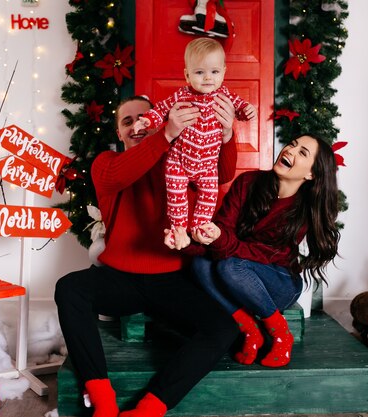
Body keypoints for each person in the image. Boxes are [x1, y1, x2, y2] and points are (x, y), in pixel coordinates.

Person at [55, 94, 240, 417]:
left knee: (224, 328)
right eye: (127, 121)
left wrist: (225, 135)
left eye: (144, 117)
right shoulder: (106, 164)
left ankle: (149, 409)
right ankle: (101, 397)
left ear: (158, 117)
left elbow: (222, 174)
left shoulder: (179, 165)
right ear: (118, 132)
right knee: (70, 287)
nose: (137, 125)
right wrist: (165, 135)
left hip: (171, 280)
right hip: (119, 279)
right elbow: (121, 176)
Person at [181, 134, 341, 368]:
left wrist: (221, 241)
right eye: (292, 144)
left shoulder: (304, 210)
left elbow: (262, 254)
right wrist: (189, 240)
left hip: (279, 283)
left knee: (229, 265)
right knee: (199, 265)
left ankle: (281, 334)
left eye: (302, 153)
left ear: (311, 174)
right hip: (236, 274)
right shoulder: (248, 182)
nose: (290, 150)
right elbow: (224, 229)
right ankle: (250, 330)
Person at [133, 38, 256, 249]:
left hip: (208, 166)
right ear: (187, 75)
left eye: (215, 72)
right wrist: (146, 120)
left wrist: (247, 110)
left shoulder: (225, 96)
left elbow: (240, 107)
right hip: (179, 162)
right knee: (176, 196)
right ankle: (178, 230)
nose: (208, 77)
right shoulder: (183, 95)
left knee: (209, 195)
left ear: (224, 72)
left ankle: (200, 227)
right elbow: (161, 109)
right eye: (199, 72)